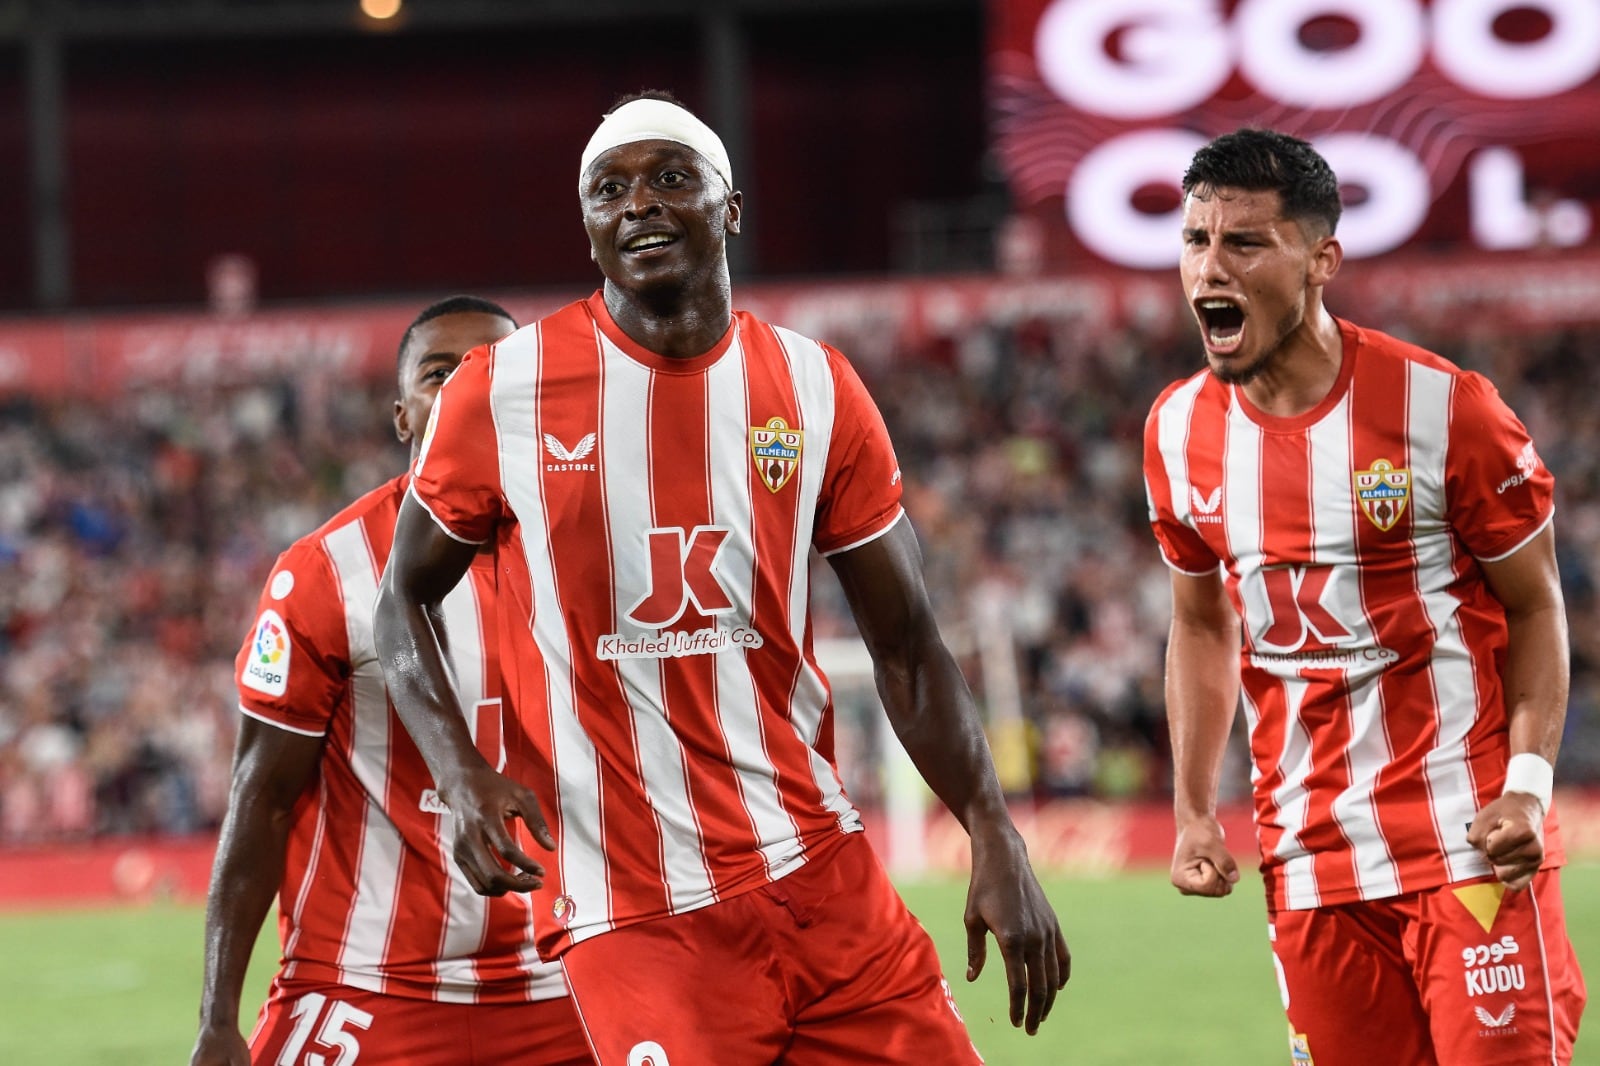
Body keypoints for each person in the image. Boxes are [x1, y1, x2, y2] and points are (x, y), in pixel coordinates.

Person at [373, 91, 1069, 1064]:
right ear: (587, 229)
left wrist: (992, 829)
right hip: (632, 908)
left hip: (820, 872)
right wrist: (462, 771)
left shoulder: (815, 387)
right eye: (608, 190)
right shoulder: (503, 390)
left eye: (669, 178)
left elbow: (906, 646)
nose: (638, 205)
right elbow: (399, 599)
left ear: (729, 206)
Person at [1143, 128, 1587, 1065]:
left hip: (1466, 841)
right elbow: (1198, 618)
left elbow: (1539, 605)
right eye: (1195, 241)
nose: (1209, 267)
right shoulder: (1177, 432)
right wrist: (1190, 807)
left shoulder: (1446, 409)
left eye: (1245, 243)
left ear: (1321, 260)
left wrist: (1529, 788)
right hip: (1309, 863)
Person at [190, 296, 593, 1066]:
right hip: (366, 983)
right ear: (402, 416)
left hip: (566, 979)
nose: (469, 386)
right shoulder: (325, 572)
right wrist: (217, 1018)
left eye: (492, 368)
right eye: (440, 372)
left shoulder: (598, 555)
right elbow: (261, 795)